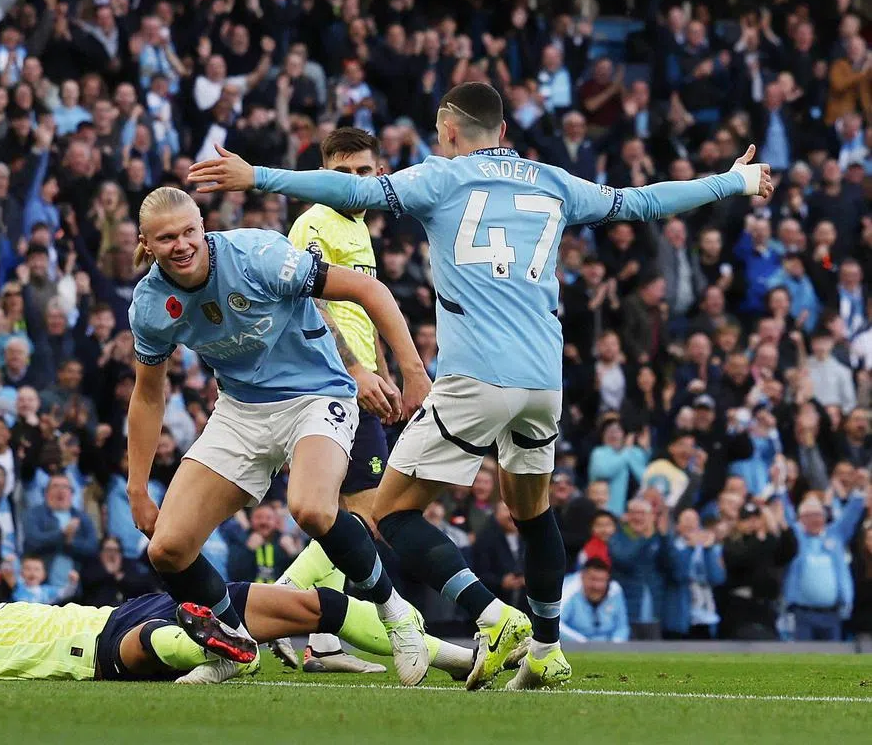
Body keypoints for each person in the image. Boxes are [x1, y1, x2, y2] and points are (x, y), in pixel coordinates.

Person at [189, 80, 772, 690]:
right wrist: (733, 181)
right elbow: (644, 201)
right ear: (503, 133)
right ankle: (547, 647)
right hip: (545, 381)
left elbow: (354, 190)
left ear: (447, 132)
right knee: (533, 511)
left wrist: (259, 175)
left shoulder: (442, 179)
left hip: (475, 378)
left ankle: (490, 617)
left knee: (389, 513)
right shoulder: (553, 182)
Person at [126, 186, 432, 685]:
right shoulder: (150, 305)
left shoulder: (257, 254)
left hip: (317, 395)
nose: (181, 245)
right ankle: (233, 644)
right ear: (146, 243)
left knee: (311, 507)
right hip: (241, 412)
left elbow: (368, 289)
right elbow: (147, 395)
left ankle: (396, 614)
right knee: (167, 549)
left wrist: (412, 371)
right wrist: (137, 487)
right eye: (166, 238)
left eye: (188, 232)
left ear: (203, 226)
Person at [0, 528, 476, 684]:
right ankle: (210, 639)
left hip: (117, 611)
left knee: (316, 605)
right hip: (95, 651)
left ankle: (454, 659)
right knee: (147, 644)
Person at [270, 127, 399, 674]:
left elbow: (364, 309)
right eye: (341, 173)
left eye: (362, 172)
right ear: (322, 173)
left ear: (377, 173)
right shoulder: (314, 223)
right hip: (329, 377)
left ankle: (320, 639)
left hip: (357, 376)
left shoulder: (359, 227)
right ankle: (279, 597)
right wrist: (356, 368)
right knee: (372, 513)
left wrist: (384, 371)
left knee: (349, 514)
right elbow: (307, 302)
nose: (352, 182)